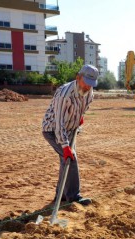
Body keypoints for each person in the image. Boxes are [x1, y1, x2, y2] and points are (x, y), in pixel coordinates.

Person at [42, 64, 99, 206]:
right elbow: (59, 122)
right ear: (78, 77)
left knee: (65, 162)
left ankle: (60, 196)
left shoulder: (89, 93)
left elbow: (83, 108)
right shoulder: (64, 94)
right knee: (70, 159)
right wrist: (65, 146)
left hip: (70, 129)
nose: (87, 87)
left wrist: (79, 117)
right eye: (86, 83)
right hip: (52, 129)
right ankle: (73, 197)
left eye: (91, 85)